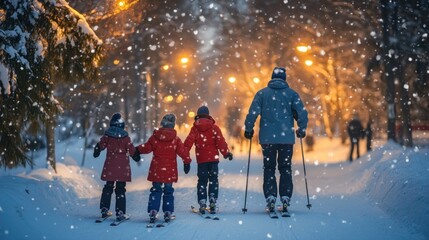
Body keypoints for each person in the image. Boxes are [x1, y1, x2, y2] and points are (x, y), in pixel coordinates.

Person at [244, 67, 308, 214]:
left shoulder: (262, 94)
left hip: (267, 139)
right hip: (286, 139)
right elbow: (302, 112)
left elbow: (253, 112)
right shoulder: (292, 94)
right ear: (284, 78)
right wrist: (302, 128)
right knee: (285, 167)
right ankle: (285, 197)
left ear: (272, 77)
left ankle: (271, 197)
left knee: (269, 167)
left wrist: (249, 128)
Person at [133, 113, 191, 223]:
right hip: (169, 171)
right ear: (173, 125)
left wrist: (137, 150)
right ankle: (168, 212)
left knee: (156, 190)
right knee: (168, 191)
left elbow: (147, 147)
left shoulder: (155, 137)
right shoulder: (175, 139)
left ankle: (153, 210)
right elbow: (183, 152)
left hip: (157, 170)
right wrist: (187, 161)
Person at [184, 106, 233, 215]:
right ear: (208, 115)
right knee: (213, 179)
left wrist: (185, 158)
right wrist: (226, 153)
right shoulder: (214, 128)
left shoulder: (195, 129)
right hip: (213, 160)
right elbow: (221, 142)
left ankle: (202, 201)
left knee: (202, 181)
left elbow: (188, 143)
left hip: (201, 160)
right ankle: (212, 199)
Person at [93, 112, 140, 221]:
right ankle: (120, 212)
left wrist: (97, 149)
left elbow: (101, 145)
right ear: (122, 125)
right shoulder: (125, 138)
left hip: (110, 166)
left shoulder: (107, 136)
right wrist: (136, 156)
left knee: (108, 187)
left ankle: (104, 208)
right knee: (120, 189)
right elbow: (131, 150)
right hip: (122, 168)